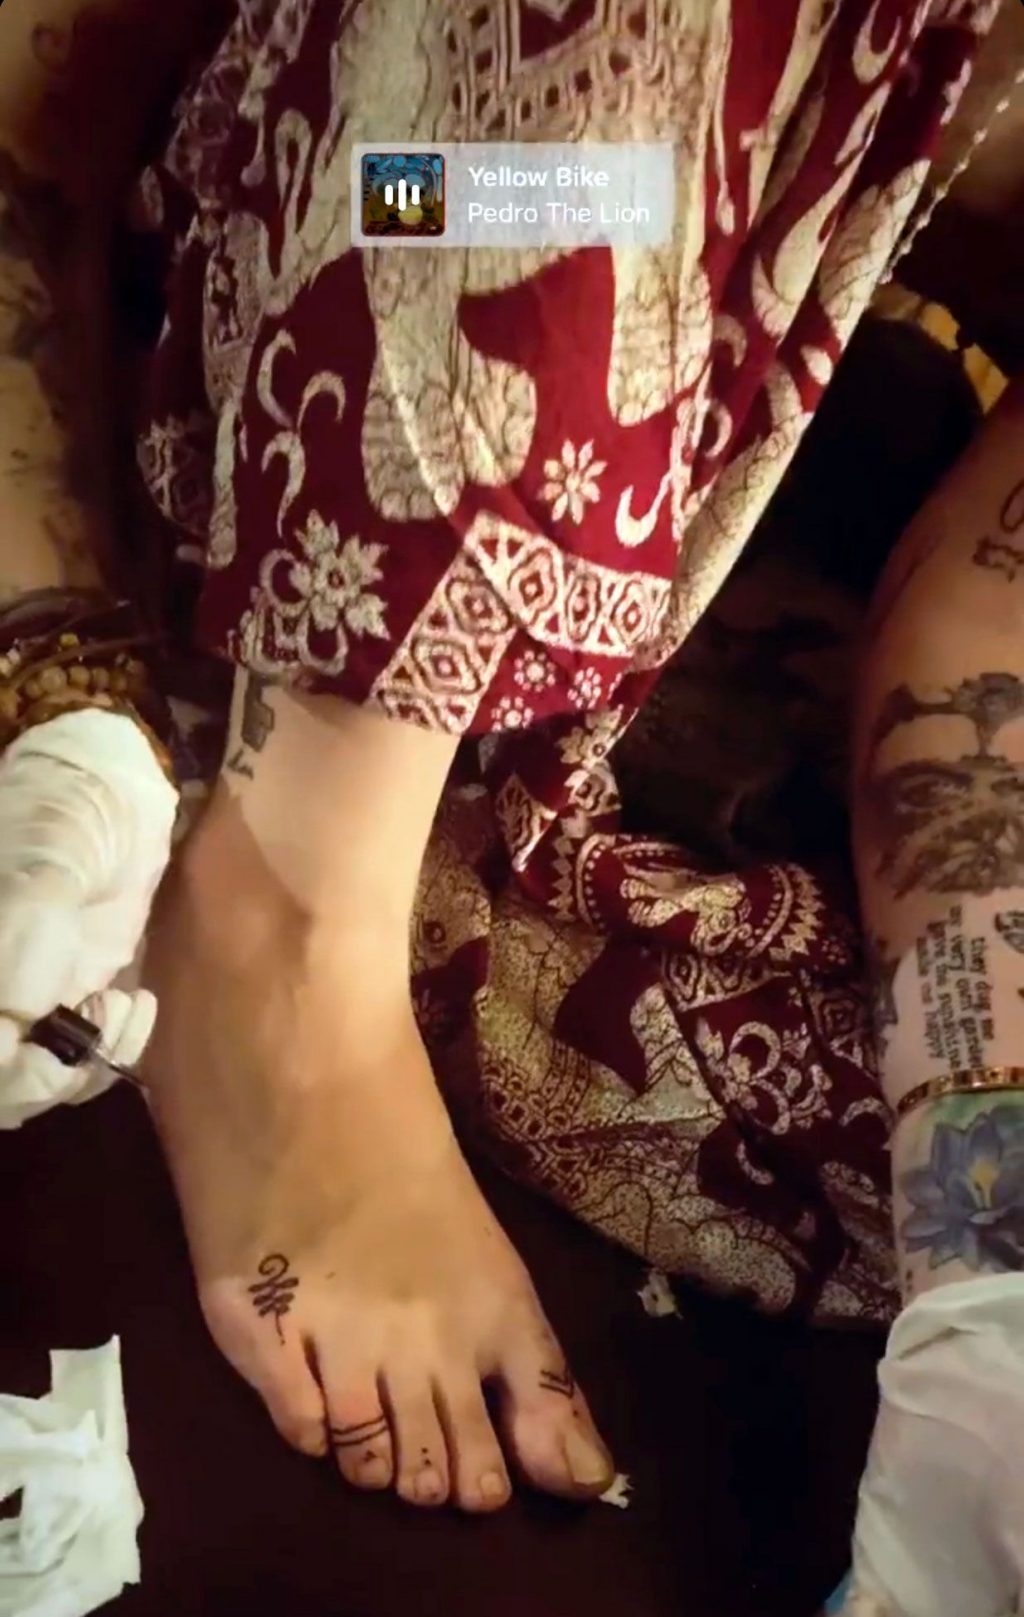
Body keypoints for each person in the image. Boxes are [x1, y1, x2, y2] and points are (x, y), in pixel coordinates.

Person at [0, 0, 1022, 1602]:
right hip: (370, 226)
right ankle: (285, 928)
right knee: (604, 129)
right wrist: (50, 665)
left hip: (702, 531)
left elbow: (997, 620)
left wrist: (987, 1255)